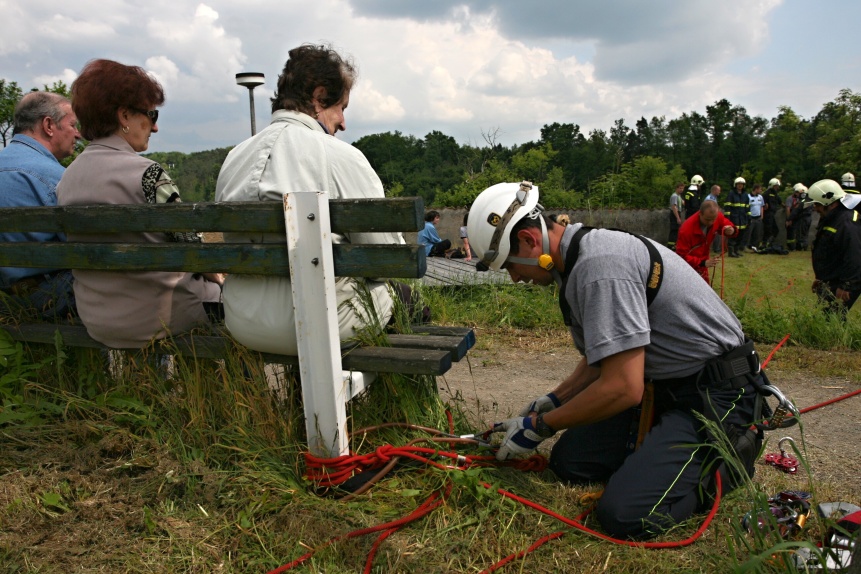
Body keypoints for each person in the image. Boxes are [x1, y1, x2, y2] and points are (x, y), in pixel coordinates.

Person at [469, 181, 767, 540]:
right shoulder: (577, 258)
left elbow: (624, 388)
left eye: (510, 266)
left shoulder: (601, 267)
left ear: (530, 241)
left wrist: (541, 426)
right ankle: (658, 454)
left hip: (716, 395)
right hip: (668, 388)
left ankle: (729, 463)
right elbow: (605, 356)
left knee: (625, 515)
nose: (515, 278)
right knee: (570, 463)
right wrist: (555, 400)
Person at [215, 43, 405, 355]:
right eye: (342, 107)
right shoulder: (341, 157)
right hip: (326, 323)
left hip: (243, 321)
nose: (343, 122)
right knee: (403, 295)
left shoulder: (234, 158)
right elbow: (385, 259)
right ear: (318, 98)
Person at [57, 59, 222, 348]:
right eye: (151, 114)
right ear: (124, 116)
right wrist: (219, 279)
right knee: (233, 302)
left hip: (97, 320)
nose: (155, 127)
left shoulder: (66, 179)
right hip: (157, 317)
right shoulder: (148, 174)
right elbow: (192, 247)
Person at [0, 92, 81, 320]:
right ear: (48, 125)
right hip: (41, 299)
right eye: (73, 125)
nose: (78, 133)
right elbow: (84, 246)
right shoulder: (56, 177)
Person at [805, 179, 861, 319]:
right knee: (827, 316)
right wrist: (821, 279)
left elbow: (854, 256)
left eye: (817, 204)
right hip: (832, 280)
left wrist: (847, 286)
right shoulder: (832, 218)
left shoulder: (846, 224)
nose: (815, 208)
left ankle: (836, 341)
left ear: (830, 203)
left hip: (845, 281)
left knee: (831, 318)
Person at [676, 200, 737, 282]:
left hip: (704, 263)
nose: (711, 222)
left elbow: (725, 224)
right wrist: (702, 262)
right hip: (689, 266)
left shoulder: (716, 216)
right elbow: (681, 257)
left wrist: (732, 230)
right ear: (700, 214)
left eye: (713, 219)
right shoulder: (686, 230)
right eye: (708, 220)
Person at [724, 177, 750, 258]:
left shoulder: (745, 195)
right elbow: (727, 207)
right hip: (733, 218)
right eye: (738, 184)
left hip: (742, 219)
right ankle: (731, 252)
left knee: (740, 236)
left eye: (741, 184)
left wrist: (748, 217)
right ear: (735, 185)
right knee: (733, 235)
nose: (740, 186)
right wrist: (728, 218)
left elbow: (747, 207)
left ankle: (736, 251)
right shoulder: (731, 194)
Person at [760, 178, 785, 254]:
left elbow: (780, 202)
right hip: (767, 214)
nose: (777, 187)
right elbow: (762, 203)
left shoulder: (775, 194)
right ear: (772, 185)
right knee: (768, 230)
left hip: (773, 214)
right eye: (776, 186)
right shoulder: (766, 194)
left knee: (775, 230)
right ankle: (764, 244)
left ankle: (769, 243)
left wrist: (787, 207)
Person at [747, 184, 765, 251]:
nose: (761, 191)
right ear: (756, 189)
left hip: (758, 217)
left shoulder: (760, 197)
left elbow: (761, 206)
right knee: (749, 232)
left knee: (757, 233)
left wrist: (762, 215)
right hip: (751, 218)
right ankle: (747, 246)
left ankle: (755, 246)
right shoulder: (748, 197)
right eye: (760, 189)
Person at [667, 182, 685, 248]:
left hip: (678, 213)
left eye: (682, 188)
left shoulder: (679, 196)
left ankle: (675, 244)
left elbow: (683, 203)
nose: (681, 190)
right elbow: (674, 207)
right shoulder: (674, 196)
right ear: (676, 188)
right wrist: (677, 217)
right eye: (680, 188)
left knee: (677, 230)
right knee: (674, 229)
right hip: (675, 214)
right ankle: (671, 246)